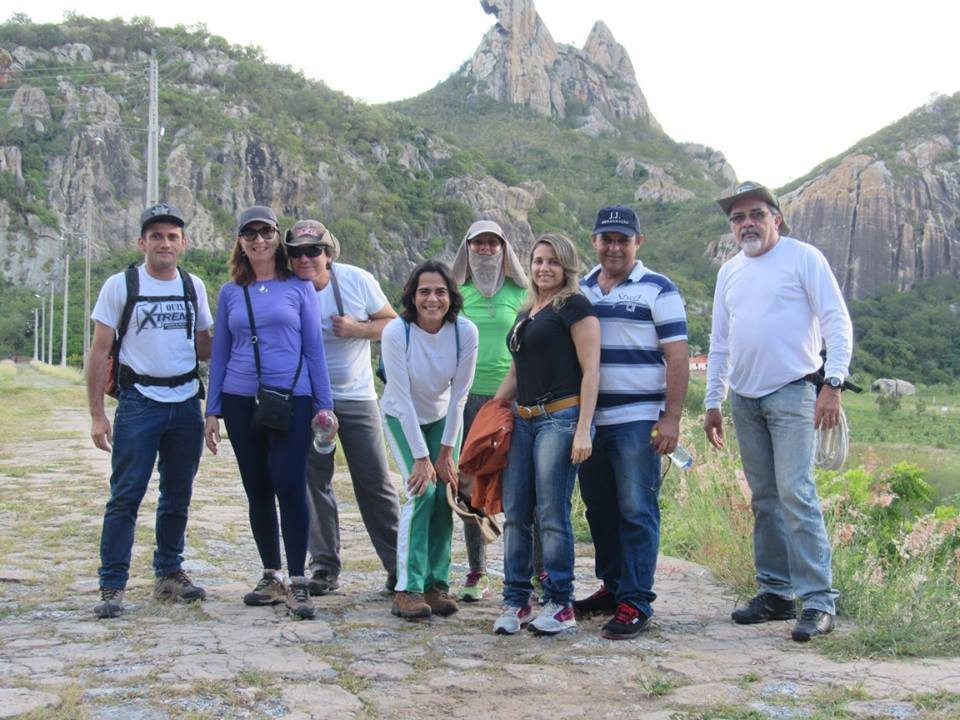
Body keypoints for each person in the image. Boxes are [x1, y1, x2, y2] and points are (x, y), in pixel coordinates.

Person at [703, 181, 853, 642]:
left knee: (796, 493)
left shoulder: (803, 258)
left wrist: (833, 383)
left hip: (794, 392)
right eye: (737, 217)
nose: (746, 223)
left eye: (756, 214)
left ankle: (818, 601)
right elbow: (720, 340)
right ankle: (775, 593)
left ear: (776, 219)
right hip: (744, 399)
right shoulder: (729, 272)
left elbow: (836, 320)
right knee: (765, 498)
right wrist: (712, 401)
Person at [203, 206, 336, 620]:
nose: (259, 240)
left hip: (292, 398)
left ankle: (298, 579)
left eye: (266, 232)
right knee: (257, 487)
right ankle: (271, 574)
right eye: (250, 233)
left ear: (277, 237)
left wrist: (324, 405)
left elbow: (314, 349)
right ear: (240, 242)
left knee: (290, 484)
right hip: (240, 398)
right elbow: (220, 353)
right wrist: (212, 410)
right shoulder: (230, 293)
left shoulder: (299, 287)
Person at [86, 202, 213, 619]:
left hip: (186, 402)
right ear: (142, 242)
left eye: (172, 236)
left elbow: (205, 347)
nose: (164, 243)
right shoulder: (121, 285)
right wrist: (97, 414)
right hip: (139, 402)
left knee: (178, 494)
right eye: (156, 236)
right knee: (126, 495)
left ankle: (169, 572)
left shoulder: (194, 286)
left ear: (184, 243)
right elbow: (99, 351)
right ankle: (112, 583)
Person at [575, 205, 690, 640]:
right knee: (599, 509)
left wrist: (671, 419)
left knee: (637, 509)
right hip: (589, 421)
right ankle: (613, 587)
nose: (614, 247)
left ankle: (636, 601)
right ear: (594, 241)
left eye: (623, 239)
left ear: (638, 242)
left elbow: (677, 357)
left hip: (638, 421)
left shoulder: (659, 288)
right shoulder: (581, 289)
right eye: (606, 239)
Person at [285, 219, 400, 596]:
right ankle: (324, 566)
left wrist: (357, 329)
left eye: (313, 251)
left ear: (329, 254)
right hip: (307, 399)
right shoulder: (285, 287)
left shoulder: (356, 280)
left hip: (357, 396)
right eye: (296, 253)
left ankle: (400, 566)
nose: (305, 259)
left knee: (375, 482)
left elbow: (392, 323)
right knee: (313, 483)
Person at [493, 233, 600, 636]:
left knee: (552, 514)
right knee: (516, 513)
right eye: (538, 260)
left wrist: (584, 429)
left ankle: (560, 603)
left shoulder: (574, 306)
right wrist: (492, 413)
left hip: (560, 418)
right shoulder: (527, 310)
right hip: (522, 419)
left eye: (553, 261)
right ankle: (516, 600)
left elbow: (591, 370)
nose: (544, 268)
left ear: (566, 266)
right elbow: (515, 372)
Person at [380, 261, 479, 619]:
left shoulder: (464, 332)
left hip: (441, 417)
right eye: (424, 292)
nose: (432, 299)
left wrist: (446, 452)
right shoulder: (397, 332)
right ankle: (407, 588)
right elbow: (402, 398)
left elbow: (459, 396)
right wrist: (422, 459)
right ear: (412, 296)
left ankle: (436, 585)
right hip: (400, 415)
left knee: (444, 496)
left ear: (451, 296)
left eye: (440, 292)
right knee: (422, 491)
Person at [450, 219, 528, 602]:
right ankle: (476, 570)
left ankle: (526, 573)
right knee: (469, 487)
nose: (484, 249)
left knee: (517, 485)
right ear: (466, 249)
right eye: (477, 243)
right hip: (466, 399)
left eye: (491, 243)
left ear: (503, 249)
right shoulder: (456, 292)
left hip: (510, 399)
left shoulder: (520, 292)